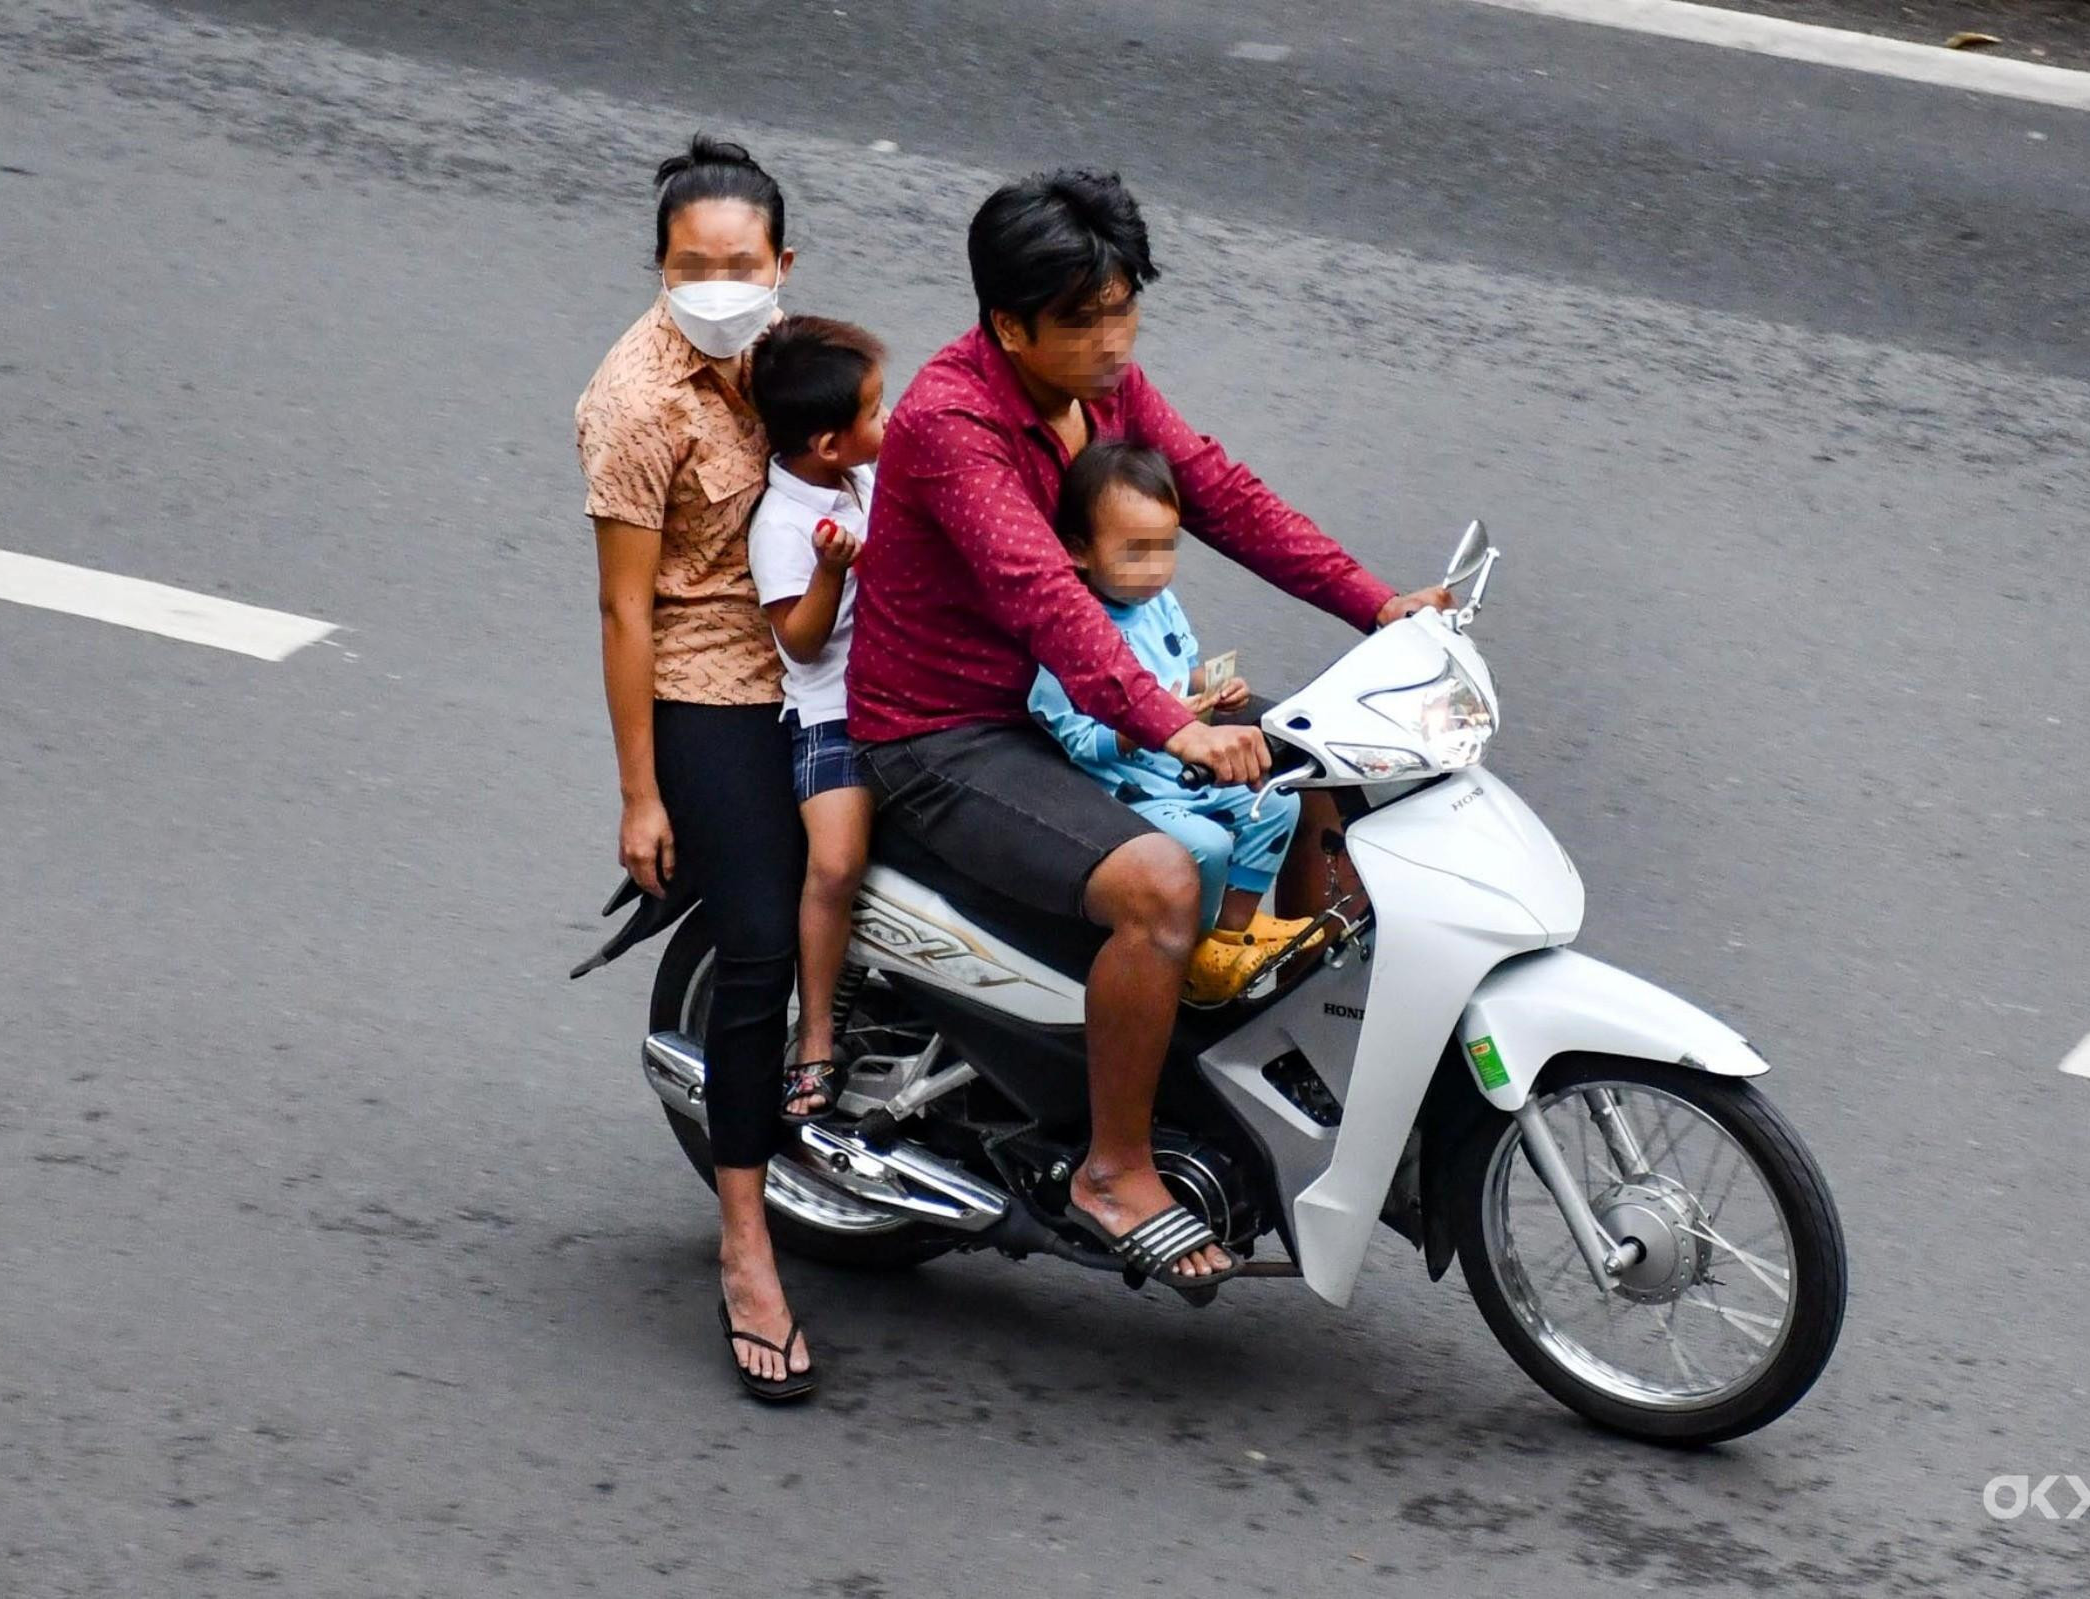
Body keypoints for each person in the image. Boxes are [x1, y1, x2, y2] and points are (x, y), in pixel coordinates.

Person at [846, 169, 1450, 1299]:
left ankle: (1251, 1025)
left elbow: (1217, 492)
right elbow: (1047, 600)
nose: (1117, 340)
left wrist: (1376, 603)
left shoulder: (1101, 392)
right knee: (1161, 884)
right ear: (1009, 326)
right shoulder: (951, 426)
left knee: (1348, 759)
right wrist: (1173, 724)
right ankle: (1115, 1168)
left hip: (1074, 704)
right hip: (951, 734)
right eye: (1087, 321)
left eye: (1126, 309)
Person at [575, 134, 817, 1401]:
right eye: (690, 266)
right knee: (761, 940)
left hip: (822, 645)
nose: (716, 283)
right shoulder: (631, 405)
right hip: (709, 680)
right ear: (661, 271)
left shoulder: (799, 358)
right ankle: (747, 1246)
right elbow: (625, 615)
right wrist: (640, 793)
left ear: (783, 264)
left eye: (740, 263)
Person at [1027, 442, 1313, 1004]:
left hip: (1185, 770)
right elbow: (1078, 741)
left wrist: (1215, 688)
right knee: (1202, 846)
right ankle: (1185, 949)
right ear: (1080, 551)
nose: (1156, 568)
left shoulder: (1159, 604)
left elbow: (1182, 676)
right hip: (1128, 791)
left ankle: (1230, 934)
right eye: (1137, 553)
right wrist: (1144, 726)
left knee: (1278, 802)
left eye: (1167, 548)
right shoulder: (1067, 632)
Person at [746, 315, 888, 1115]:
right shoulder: (785, 526)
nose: (886, 420)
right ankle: (819, 1032)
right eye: (874, 412)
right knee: (835, 864)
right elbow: (799, 644)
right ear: (829, 442)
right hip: (832, 715)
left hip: (900, 694)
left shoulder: (858, 475)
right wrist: (833, 572)